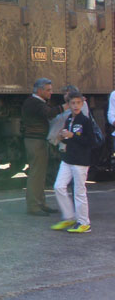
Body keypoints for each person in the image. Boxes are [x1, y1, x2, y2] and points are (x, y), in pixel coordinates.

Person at [50, 90, 94, 233]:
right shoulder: (69, 119)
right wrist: (63, 137)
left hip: (80, 161)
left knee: (79, 192)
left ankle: (84, 222)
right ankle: (69, 217)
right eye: (73, 103)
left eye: (78, 103)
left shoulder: (85, 121)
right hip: (68, 159)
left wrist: (72, 136)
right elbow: (71, 138)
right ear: (68, 104)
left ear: (82, 103)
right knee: (58, 186)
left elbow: (90, 141)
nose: (75, 106)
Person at [21, 78, 65, 216]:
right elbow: (49, 113)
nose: (51, 93)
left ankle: (41, 203)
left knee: (40, 174)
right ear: (39, 91)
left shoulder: (36, 102)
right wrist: (66, 106)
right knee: (36, 174)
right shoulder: (34, 103)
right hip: (35, 142)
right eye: (48, 90)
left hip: (38, 141)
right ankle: (33, 206)